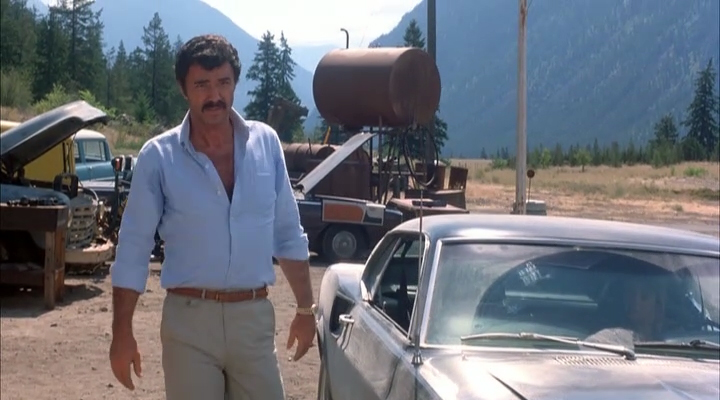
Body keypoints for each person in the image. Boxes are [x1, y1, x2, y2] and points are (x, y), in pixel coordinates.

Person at [108, 34, 316, 400]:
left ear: (235, 83)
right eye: (202, 85)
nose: (215, 95)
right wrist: (121, 332)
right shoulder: (159, 157)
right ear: (183, 89)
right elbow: (134, 248)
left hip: (253, 320)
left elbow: (287, 232)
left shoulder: (266, 144)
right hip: (189, 323)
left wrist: (304, 309)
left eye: (223, 82)